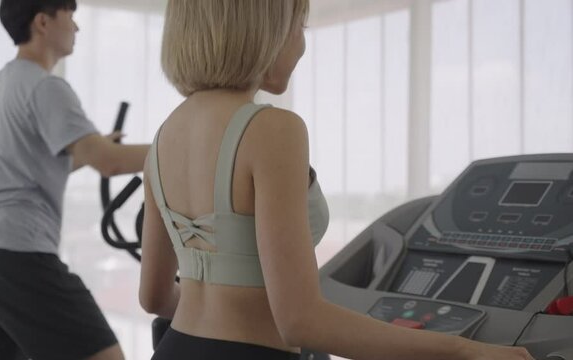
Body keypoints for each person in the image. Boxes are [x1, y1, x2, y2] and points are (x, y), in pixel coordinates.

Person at [138, 1, 536, 359]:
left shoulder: (161, 139)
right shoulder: (272, 130)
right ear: (266, 30)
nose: (301, 46)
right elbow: (301, 321)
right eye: (300, 28)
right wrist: (461, 349)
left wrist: (214, 312)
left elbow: (154, 297)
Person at [0, 1, 148, 359]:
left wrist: (91, 150)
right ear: (43, 22)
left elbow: (22, 165)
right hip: (15, 251)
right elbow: (110, 163)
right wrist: (178, 147)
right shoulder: (45, 87)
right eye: (70, 17)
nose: (77, 27)